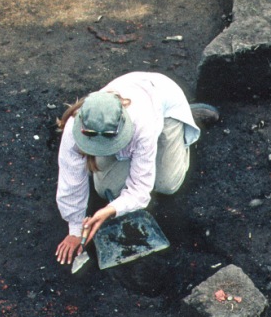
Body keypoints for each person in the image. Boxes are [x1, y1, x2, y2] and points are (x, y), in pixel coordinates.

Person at [54, 72, 217, 265]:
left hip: (165, 105)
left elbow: (140, 189)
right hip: (127, 111)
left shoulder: (143, 123)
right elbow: (70, 179)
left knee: (167, 184)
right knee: (106, 189)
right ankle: (137, 152)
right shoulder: (75, 126)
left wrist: (112, 210)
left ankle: (184, 121)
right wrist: (74, 229)